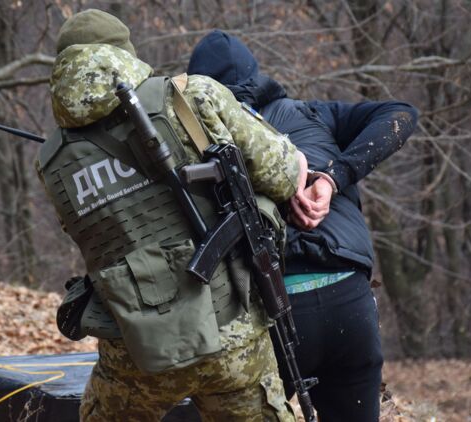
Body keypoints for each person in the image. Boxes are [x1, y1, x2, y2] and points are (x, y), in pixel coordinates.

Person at [39, 10, 308, 422]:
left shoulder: (52, 159)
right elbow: (283, 176)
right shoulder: (191, 96)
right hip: (230, 332)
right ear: (126, 54)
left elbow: (84, 232)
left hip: (135, 348)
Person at [188, 30, 418, 422]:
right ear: (256, 75)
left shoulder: (196, 141)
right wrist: (335, 176)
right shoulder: (314, 114)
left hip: (270, 311)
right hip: (350, 301)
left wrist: (328, 177)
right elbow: (401, 114)